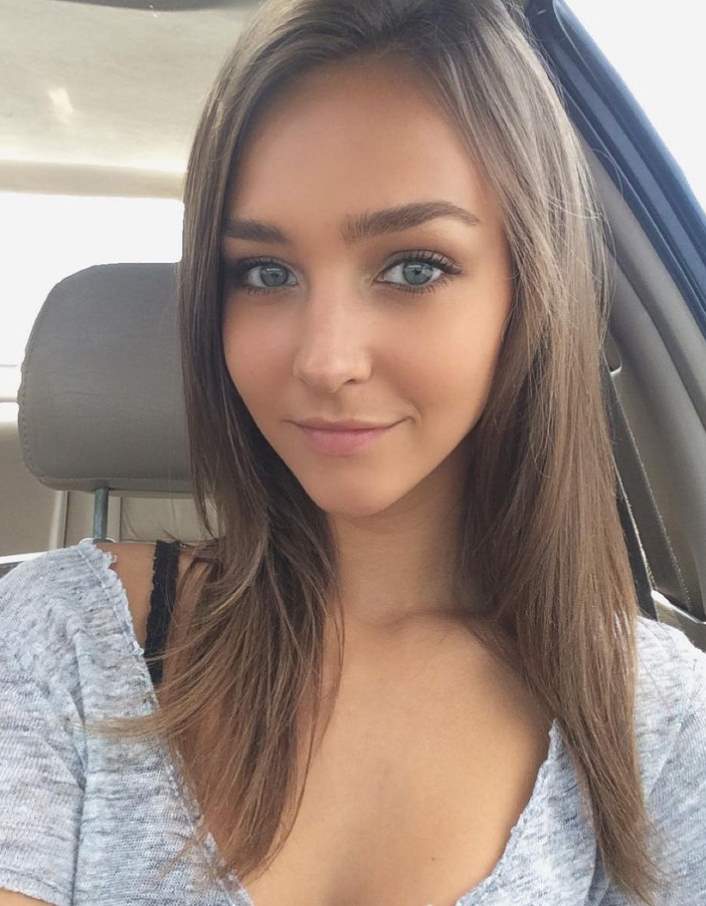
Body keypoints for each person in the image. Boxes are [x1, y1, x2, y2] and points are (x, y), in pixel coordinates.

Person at [1, 1, 705, 904]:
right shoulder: (59, 639)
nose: (325, 361)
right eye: (265, 273)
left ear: (530, 292)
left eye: (414, 267)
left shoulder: (655, 714)